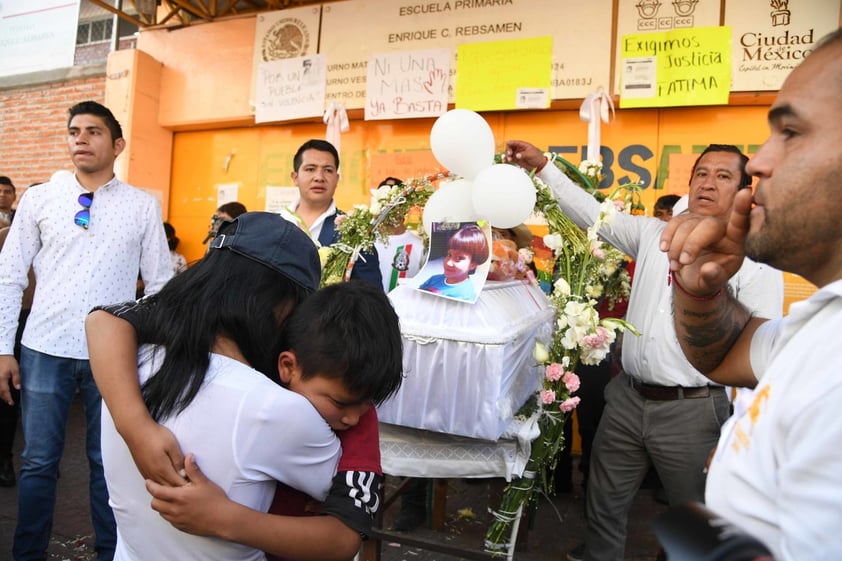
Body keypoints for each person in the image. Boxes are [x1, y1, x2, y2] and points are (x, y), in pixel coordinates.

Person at [504, 140, 783, 561]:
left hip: (693, 413)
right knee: (603, 511)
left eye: (723, 176)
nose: (708, 182)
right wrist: (544, 167)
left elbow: (763, 357)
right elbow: (593, 213)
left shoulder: (755, 258)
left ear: (745, 190)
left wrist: (737, 432)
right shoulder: (654, 233)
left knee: (697, 526)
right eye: (701, 173)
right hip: (627, 401)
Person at [87, 212, 403, 561]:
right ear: (281, 307)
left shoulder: (129, 361)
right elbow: (346, 535)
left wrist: (134, 424)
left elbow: (105, 318)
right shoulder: (275, 407)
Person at [659, 28, 842, 561]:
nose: (759, 163)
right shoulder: (824, 325)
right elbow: (726, 353)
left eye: (790, 132)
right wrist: (703, 292)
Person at [0, 100, 173, 561]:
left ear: (117, 144)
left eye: (93, 131)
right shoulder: (40, 199)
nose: (81, 138)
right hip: (43, 348)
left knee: (108, 463)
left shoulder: (141, 206)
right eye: (74, 131)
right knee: (38, 463)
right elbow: (9, 273)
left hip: (112, 355)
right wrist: (3, 349)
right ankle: (27, 553)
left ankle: (110, 552)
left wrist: (151, 353)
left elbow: (160, 285)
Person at [286, 139, 382, 288]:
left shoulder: (355, 232)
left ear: (337, 179)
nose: (319, 177)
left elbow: (370, 295)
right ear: (295, 177)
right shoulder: (276, 222)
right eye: (310, 169)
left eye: (328, 170)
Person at [373, 177, 426, 292]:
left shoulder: (420, 246)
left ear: (405, 206)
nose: (390, 208)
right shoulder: (368, 243)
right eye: (385, 203)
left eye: (396, 202)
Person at [418, 223, 489, 301]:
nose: (448, 263)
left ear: (472, 264)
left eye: (459, 258)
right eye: (449, 255)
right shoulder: (434, 279)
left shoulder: (465, 296)